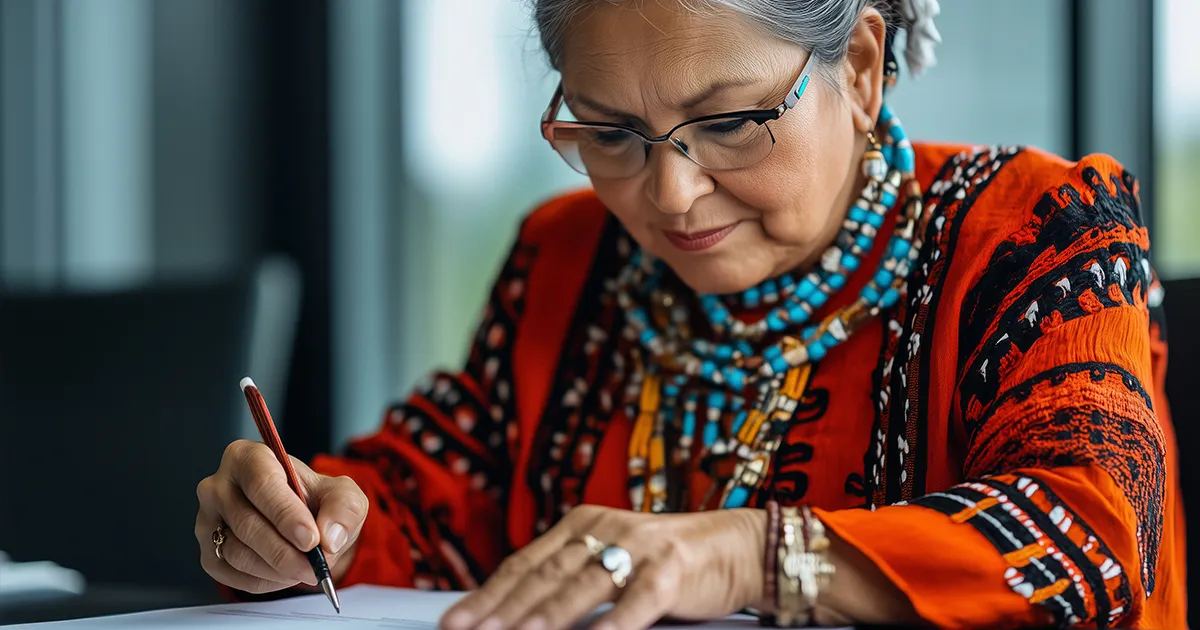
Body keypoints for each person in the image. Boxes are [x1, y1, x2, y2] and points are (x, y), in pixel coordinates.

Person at [194, 0, 1186, 627]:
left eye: (728, 124)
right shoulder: (567, 258)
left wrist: (748, 553)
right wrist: (310, 522)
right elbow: (428, 513)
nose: (668, 197)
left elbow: (1088, 540)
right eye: (611, 133)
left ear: (863, 67)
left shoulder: (1036, 233)